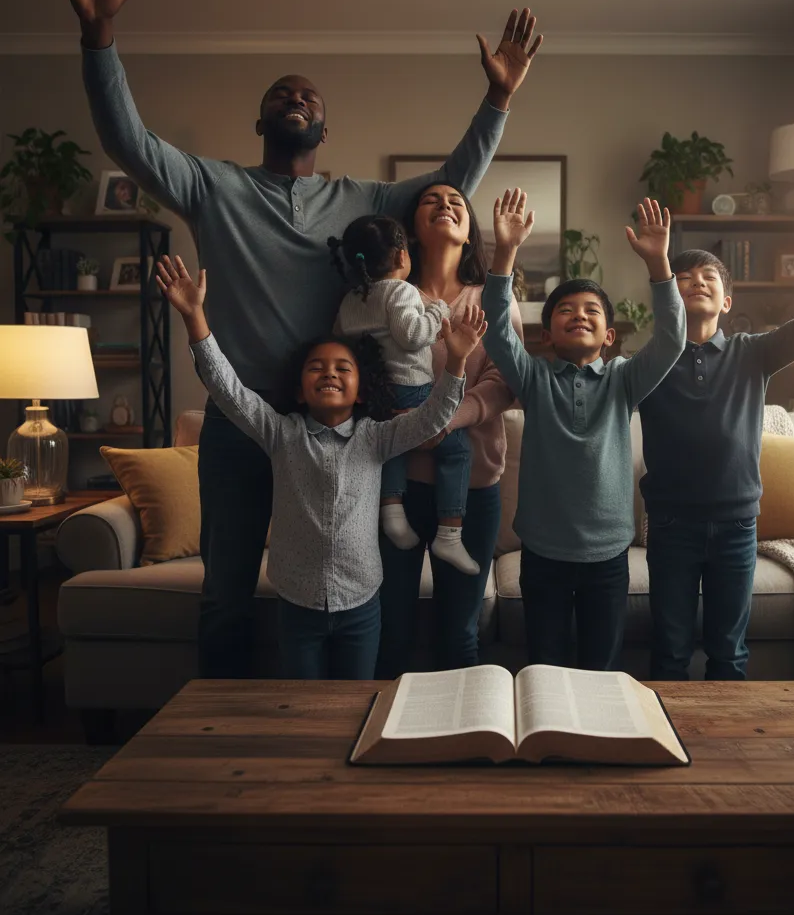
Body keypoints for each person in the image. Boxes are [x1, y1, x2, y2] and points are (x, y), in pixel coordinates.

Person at [57, 0, 542, 678]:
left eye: (308, 94)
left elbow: (452, 182)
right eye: (281, 92)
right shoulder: (212, 186)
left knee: (338, 595)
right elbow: (130, 143)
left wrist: (498, 99)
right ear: (264, 121)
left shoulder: (361, 201)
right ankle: (217, 739)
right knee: (225, 596)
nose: (296, 96)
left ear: (323, 124)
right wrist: (99, 38)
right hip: (240, 425)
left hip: (335, 431)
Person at [156, 254, 486, 679]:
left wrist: (456, 362)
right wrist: (195, 316)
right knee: (301, 706)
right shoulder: (279, 433)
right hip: (297, 603)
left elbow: (433, 418)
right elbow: (227, 389)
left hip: (362, 603)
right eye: (317, 367)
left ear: (361, 392)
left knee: (354, 704)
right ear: (298, 389)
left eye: (342, 368)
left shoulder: (377, 436)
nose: (329, 373)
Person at [639, 181, 794, 682]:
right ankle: (666, 749)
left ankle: (727, 753)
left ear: (729, 301)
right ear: (667, 297)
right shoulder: (649, 363)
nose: (696, 282)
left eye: (708, 276)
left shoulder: (753, 354)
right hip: (671, 527)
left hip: (737, 526)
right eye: (684, 277)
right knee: (669, 651)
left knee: (729, 654)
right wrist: (657, 265)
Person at [481, 191, 686, 670]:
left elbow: (673, 337)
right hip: (542, 553)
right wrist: (505, 252)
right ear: (546, 334)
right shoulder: (532, 379)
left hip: (608, 555)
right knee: (544, 665)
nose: (580, 315)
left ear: (609, 337)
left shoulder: (624, 379)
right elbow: (495, 328)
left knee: (601, 666)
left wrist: (659, 263)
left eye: (592, 311)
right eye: (566, 311)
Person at [374, 181, 525, 678]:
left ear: (469, 232)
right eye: (430, 201)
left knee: (460, 631)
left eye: (456, 202)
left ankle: (465, 742)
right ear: (411, 231)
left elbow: (507, 380)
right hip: (392, 486)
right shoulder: (386, 296)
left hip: (474, 487)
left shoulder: (492, 299)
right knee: (390, 626)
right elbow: (356, 368)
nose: (444, 206)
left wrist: (446, 420)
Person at [332, 214, 477, 574]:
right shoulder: (401, 290)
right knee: (457, 448)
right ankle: (449, 534)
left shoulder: (350, 300)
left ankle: (392, 511)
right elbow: (412, 336)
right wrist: (438, 310)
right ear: (401, 256)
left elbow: (339, 341)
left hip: (372, 393)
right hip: (412, 387)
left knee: (389, 447)